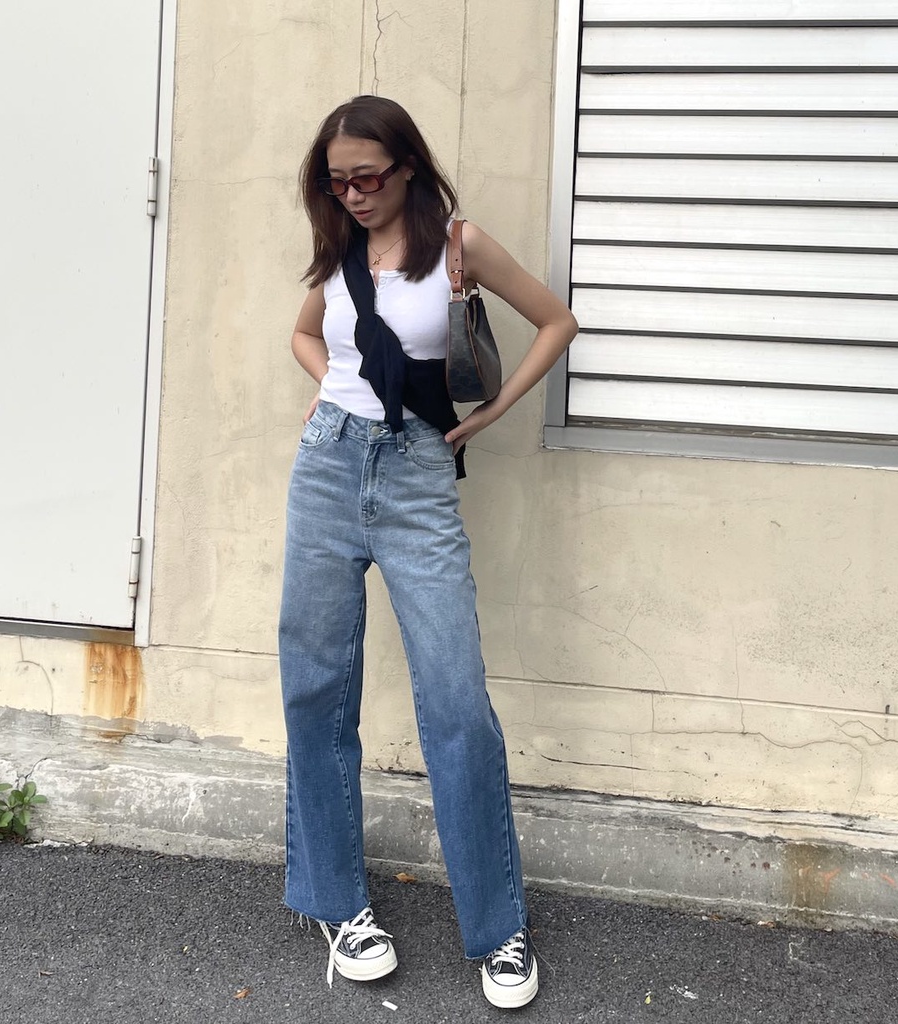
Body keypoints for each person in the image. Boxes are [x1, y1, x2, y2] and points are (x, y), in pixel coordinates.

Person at [279, 94, 578, 1010]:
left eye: (367, 177)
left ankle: (498, 928)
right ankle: (339, 905)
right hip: (327, 471)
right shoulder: (339, 246)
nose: (353, 194)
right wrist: (333, 389)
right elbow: (305, 334)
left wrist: (487, 417)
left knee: (455, 701)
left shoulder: (458, 245)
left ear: (408, 165)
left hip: (415, 477)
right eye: (337, 181)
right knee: (317, 689)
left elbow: (556, 322)